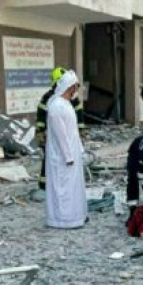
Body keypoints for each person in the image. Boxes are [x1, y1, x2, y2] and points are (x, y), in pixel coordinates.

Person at [45, 70, 87, 229]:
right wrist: (68, 156)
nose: (77, 90)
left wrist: (79, 150)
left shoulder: (66, 104)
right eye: (76, 86)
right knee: (62, 189)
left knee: (73, 188)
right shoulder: (56, 106)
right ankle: (62, 220)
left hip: (72, 153)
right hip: (62, 157)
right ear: (70, 87)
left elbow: (73, 131)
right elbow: (61, 135)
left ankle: (76, 216)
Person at [36, 67, 85, 190]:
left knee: (66, 160)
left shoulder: (70, 97)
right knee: (50, 158)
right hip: (51, 134)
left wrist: (80, 131)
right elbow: (41, 114)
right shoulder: (50, 99)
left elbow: (79, 113)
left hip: (68, 134)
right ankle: (44, 182)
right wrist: (40, 132)